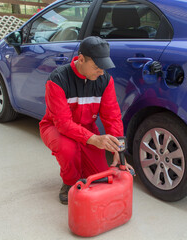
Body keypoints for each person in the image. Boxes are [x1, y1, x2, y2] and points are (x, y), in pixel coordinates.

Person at [39, 36, 134, 205]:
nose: (101, 72)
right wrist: (95, 139)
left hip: (87, 128)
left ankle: (81, 169)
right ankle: (69, 182)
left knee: (100, 176)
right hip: (55, 127)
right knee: (68, 149)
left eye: (104, 67)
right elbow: (63, 123)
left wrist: (119, 151)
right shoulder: (58, 80)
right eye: (97, 67)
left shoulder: (105, 81)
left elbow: (112, 117)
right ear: (81, 59)